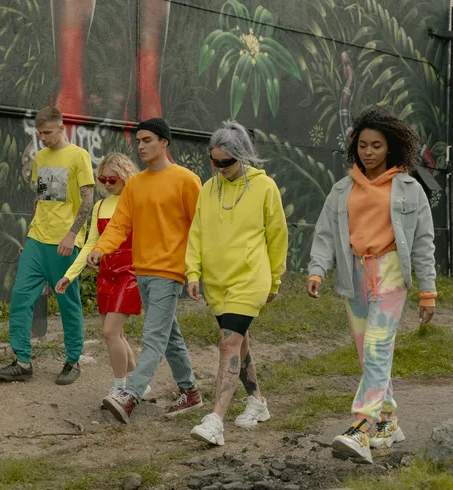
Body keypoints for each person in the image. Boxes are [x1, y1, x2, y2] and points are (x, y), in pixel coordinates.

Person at [306, 107, 437, 464]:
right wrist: (317, 271)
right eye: (362, 145)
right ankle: (389, 421)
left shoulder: (409, 189)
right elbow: (325, 234)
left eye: (376, 145)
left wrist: (428, 291)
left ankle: (361, 427)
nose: (368, 152)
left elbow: (423, 242)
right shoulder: (342, 189)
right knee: (369, 354)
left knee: (378, 347)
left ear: (390, 147)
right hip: (355, 276)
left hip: (390, 271)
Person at [88, 118, 204, 423]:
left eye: (148, 140)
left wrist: (195, 271)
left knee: (153, 338)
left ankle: (130, 396)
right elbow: (119, 225)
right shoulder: (136, 184)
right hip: (141, 271)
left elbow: (200, 227)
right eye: (138, 141)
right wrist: (100, 249)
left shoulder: (186, 180)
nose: (141, 146)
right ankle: (190, 392)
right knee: (169, 335)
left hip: (170, 272)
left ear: (164, 142)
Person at [184, 121, 288, 446]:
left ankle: (215, 420)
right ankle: (257, 402)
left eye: (226, 162)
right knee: (239, 344)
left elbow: (278, 236)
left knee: (228, 343)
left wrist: (275, 279)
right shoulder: (207, 188)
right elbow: (197, 232)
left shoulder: (264, 187)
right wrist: (192, 272)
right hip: (217, 282)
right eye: (214, 161)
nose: (219, 167)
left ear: (242, 155)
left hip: (250, 278)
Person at [0, 106, 95, 385]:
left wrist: (72, 236)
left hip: (64, 243)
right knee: (21, 296)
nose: (43, 138)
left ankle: (72, 361)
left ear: (62, 128)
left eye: (48, 132)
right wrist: (30, 235)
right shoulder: (40, 157)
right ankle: (22, 362)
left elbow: (87, 201)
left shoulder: (79, 156)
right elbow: (41, 199)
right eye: (39, 133)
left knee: (68, 301)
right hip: (37, 240)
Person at [55, 153, 150, 400]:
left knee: (110, 332)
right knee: (117, 334)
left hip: (131, 273)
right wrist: (70, 275)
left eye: (112, 180)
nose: (107, 184)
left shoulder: (137, 202)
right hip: (106, 274)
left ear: (125, 177)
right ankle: (138, 383)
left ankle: (120, 387)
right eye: (102, 179)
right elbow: (91, 243)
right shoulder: (99, 206)